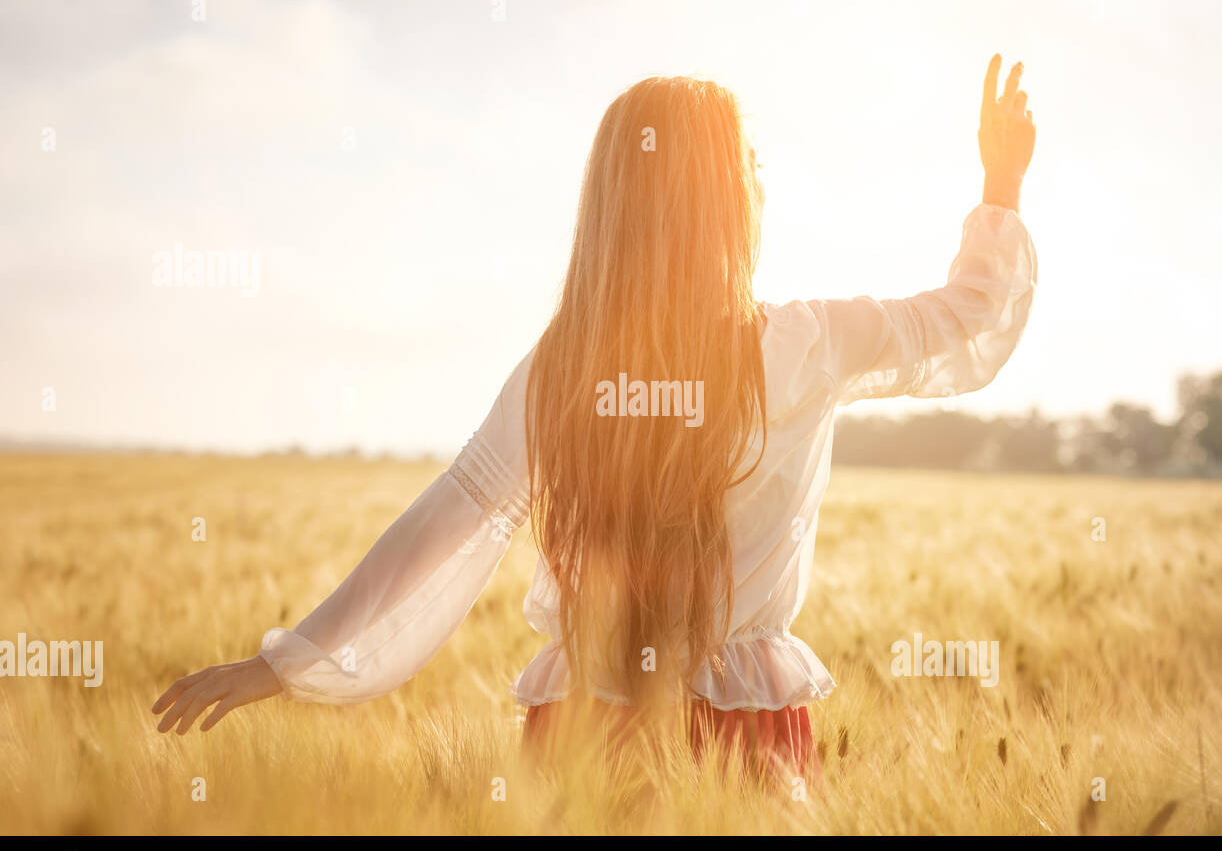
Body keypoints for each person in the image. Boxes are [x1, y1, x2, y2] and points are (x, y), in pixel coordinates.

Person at [154, 54, 1037, 782]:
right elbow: (965, 320)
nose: (764, 182)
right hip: (742, 742)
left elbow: (447, 519)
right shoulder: (807, 344)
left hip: (579, 732)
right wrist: (1001, 184)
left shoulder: (564, 366)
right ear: (723, 202)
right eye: (750, 167)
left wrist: (289, 659)